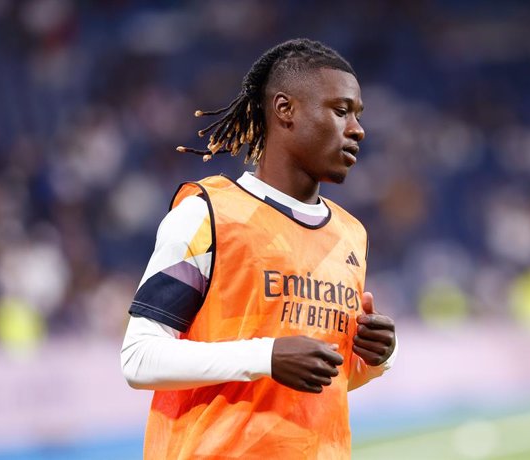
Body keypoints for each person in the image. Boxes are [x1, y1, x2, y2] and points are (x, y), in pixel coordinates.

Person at [121, 38, 397, 459]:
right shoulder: (209, 213)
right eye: (341, 111)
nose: (357, 129)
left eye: (358, 115)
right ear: (285, 110)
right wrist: (264, 354)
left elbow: (314, 380)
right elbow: (139, 359)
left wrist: (373, 360)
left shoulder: (350, 233)